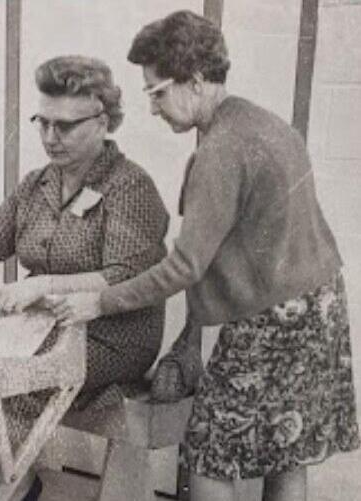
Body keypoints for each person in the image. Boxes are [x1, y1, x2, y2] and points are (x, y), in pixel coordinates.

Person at [47, 11, 360, 501]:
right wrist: (191, 337)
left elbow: (185, 266)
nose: (152, 107)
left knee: (209, 453)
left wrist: (101, 302)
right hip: (320, 313)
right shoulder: (264, 123)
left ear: (194, 82)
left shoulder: (220, 150)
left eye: (157, 91)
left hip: (274, 322)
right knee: (286, 448)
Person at [0, 56, 169, 497]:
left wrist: (42, 285)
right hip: (43, 326)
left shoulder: (130, 188)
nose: (51, 137)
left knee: (9, 381)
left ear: (103, 121)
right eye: (43, 123)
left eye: (66, 126)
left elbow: (126, 275)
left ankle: (11, 486)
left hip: (115, 334)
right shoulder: (37, 186)